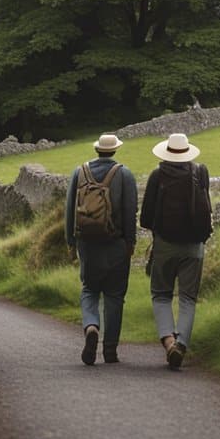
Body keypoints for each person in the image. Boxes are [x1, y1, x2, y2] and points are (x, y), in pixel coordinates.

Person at [140, 132, 212, 370]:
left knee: (161, 295)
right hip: (194, 245)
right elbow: (206, 208)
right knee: (188, 298)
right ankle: (181, 344)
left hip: (165, 245)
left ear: (166, 152)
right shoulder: (200, 172)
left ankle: (169, 341)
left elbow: (146, 219)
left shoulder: (157, 176)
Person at [65, 133, 137, 366]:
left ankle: (91, 326)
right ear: (115, 150)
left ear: (97, 150)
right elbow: (130, 212)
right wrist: (130, 242)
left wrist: (71, 241)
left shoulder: (80, 172)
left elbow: (69, 210)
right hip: (116, 243)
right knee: (115, 296)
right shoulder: (124, 174)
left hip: (87, 243)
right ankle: (110, 351)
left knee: (89, 290)